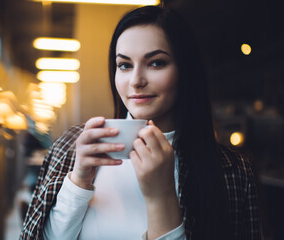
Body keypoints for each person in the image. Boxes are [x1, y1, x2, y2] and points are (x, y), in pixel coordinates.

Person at [20, 5, 262, 240]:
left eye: (156, 62)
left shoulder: (231, 170)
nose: (136, 81)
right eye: (124, 65)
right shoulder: (73, 146)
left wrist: (162, 197)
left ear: (185, 70)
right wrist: (78, 181)